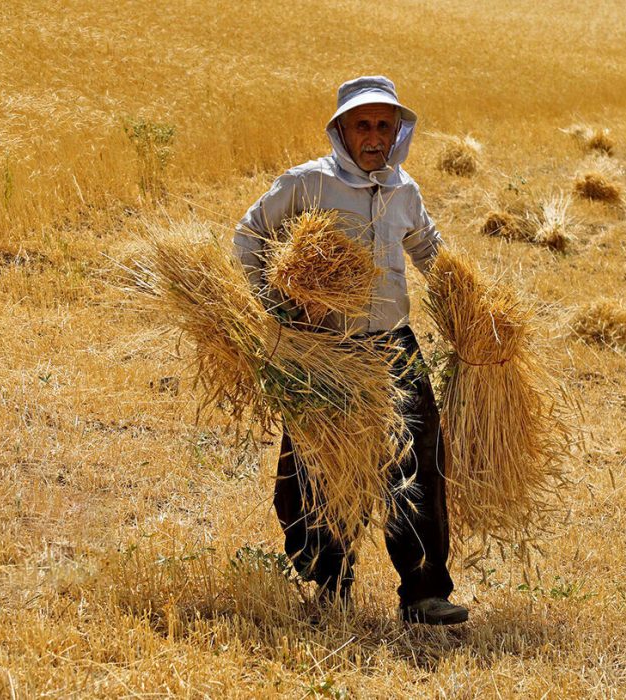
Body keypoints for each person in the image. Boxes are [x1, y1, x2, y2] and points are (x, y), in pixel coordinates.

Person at [232, 76, 468, 625]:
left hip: (393, 346)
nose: (374, 136)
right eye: (363, 125)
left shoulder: (404, 189)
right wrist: (278, 306)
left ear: (397, 132)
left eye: (385, 126)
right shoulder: (308, 184)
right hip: (325, 348)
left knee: (418, 460)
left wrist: (467, 309)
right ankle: (328, 583)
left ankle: (424, 591)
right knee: (319, 466)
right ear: (341, 129)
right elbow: (249, 236)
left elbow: (431, 251)